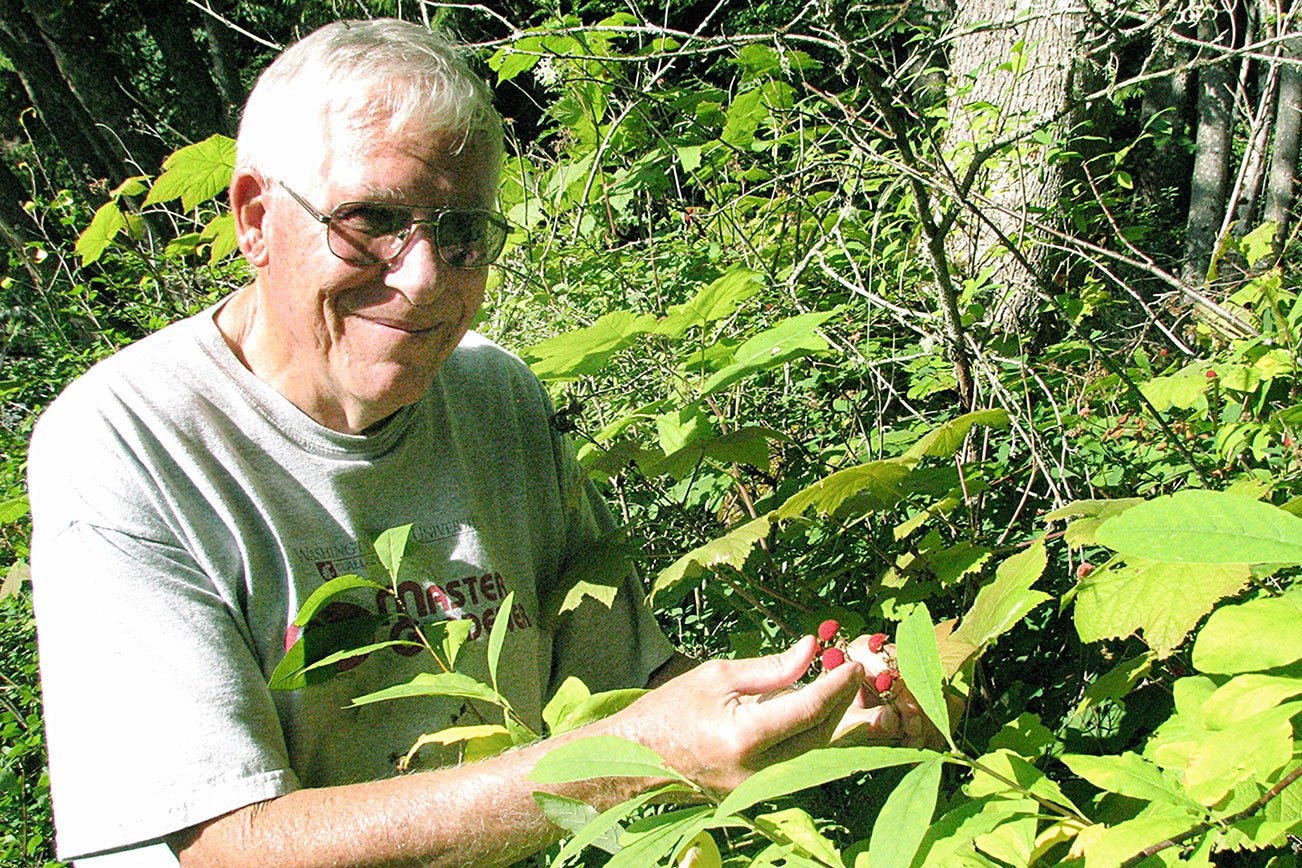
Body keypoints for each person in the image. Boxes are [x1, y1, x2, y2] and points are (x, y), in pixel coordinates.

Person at [28, 19, 930, 866]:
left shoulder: (495, 397)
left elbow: (621, 684)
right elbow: (228, 845)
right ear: (256, 218)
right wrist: (630, 759)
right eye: (372, 220)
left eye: (462, 233)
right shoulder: (128, 444)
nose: (422, 281)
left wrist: (811, 713)